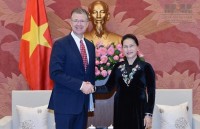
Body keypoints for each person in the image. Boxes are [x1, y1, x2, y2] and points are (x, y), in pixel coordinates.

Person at [48, 7, 96, 129]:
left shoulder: (90, 46)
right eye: (76, 20)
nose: (79, 24)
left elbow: (89, 75)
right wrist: (81, 85)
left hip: (83, 105)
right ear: (70, 22)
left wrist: (91, 98)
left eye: (82, 21)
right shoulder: (61, 44)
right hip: (65, 105)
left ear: (87, 24)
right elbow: (55, 73)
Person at [95, 34, 156, 129]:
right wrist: (93, 88)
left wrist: (148, 114)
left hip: (139, 110)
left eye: (131, 46)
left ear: (137, 47)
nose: (129, 49)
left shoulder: (146, 67)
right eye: (125, 46)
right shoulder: (117, 67)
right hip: (120, 109)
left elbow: (151, 92)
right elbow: (108, 88)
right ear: (122, 49)